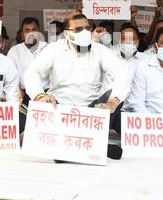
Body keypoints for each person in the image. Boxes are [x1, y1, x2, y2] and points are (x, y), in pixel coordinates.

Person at [24, 12, 127, 159]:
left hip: (92, 110)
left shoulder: (100, 50)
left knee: (114, 95)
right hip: (59, 108)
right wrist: (40, 96)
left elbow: (122, 74)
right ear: (66, 33)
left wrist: (113, 102)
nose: (85, 32)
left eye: (87, 28)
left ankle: (69, 146)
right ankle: (94, 145)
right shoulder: (54, 49)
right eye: (78, 29)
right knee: (40, 103)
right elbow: (31, 73)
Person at [107, 23, 146, 133]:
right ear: (119, 42)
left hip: (133, 110)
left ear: (137, 42)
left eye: (131, 39)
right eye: (124, 39)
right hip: (108, 107)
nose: (128, 42)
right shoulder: (108, 57)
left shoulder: (147, 61)